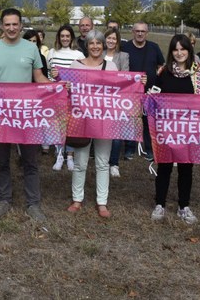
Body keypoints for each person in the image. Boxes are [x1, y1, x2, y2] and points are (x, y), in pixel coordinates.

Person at [0, 8, 51, 222]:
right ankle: (4, 199)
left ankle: (33, 203)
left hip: (26, 113)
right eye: (7, 24)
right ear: (2, 26)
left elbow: (39, 77)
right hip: (1, 114)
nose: (12, 28)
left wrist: (56, 88)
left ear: (21, 25)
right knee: (2, 160)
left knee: (30, 161)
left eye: (15, 24)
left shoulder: (31, 48)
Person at [150, 34, 200, 224]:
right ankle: (160, 204)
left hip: (188, 129)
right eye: (176, 49)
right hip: (166, 128)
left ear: (189, 51)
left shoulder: (197, 73)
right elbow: (154, 96)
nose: (179, 53)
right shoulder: (164, 72)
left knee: (186, 167)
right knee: (164, 166)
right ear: (171, 52)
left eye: (183, 49)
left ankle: (184, 206)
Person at [67, 30, 118, 218]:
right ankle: (77, 199)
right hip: (81, 120)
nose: (95, 46)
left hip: (104, 120)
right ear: (86, 46)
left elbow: (119, 91)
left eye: (99, 43)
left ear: (104, 45)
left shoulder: (111, 67)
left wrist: (139, 82)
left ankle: (102, 202)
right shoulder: (75, 65)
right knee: (80, 162)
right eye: (91, 43)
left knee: (103, 162)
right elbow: (68, 91)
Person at [121, 21, 165, 161]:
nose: (140, 33)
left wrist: (157, 78)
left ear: (147, 33)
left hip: (150, 92)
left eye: (143, 31)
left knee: (148, 121)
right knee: (131, 120)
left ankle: (149, 149)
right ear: (133, 31)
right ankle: (129, 149)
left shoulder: (154, 47)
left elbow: (161, 65)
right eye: (137, 31)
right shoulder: (125, 47)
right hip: (130, 92)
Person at [103, 28, 130, 178]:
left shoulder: (123, 56)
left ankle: (114, 164)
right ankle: (102, 160)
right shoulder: (98, 54)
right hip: (99, 100)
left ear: (118, 40)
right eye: (108, 38)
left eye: (114, 38)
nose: (111, 41)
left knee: (116, 134)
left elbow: (124, 76)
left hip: (117, 99)